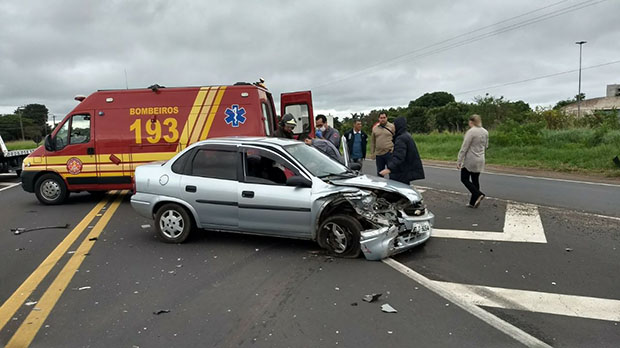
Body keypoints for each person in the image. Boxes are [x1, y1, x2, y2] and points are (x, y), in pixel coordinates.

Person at [379, 117, 424, 185]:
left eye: (394, 125)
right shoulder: (406, 135)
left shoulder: (401, 139)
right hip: (405, 170)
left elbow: (399, 156)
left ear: (398, 125)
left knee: (397, 189)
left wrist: (389, 169)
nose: (393, 127)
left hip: (401, 171)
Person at [457, 114, 489, 208]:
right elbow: (486, 146)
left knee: (464, 178)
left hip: (471, 159)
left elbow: (465, 147)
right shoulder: (485, 132)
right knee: (475, 179)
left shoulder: (471, 132)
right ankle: (473, 202)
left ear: (471, 122)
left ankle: (478, 194)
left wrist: (459, 160)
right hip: (481, 158)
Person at [370, 112, 395, 177]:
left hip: (389, 153)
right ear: (379, 119)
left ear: (387, 118)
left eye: (384, 118)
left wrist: (394, 149)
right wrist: (372, 153)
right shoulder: (375, 128)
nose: (382, 119)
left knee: (392, 172)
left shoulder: (392, 127)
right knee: (380, 173)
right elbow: (373, 141)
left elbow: (397, 138)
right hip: (379, 154)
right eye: (381, 118)